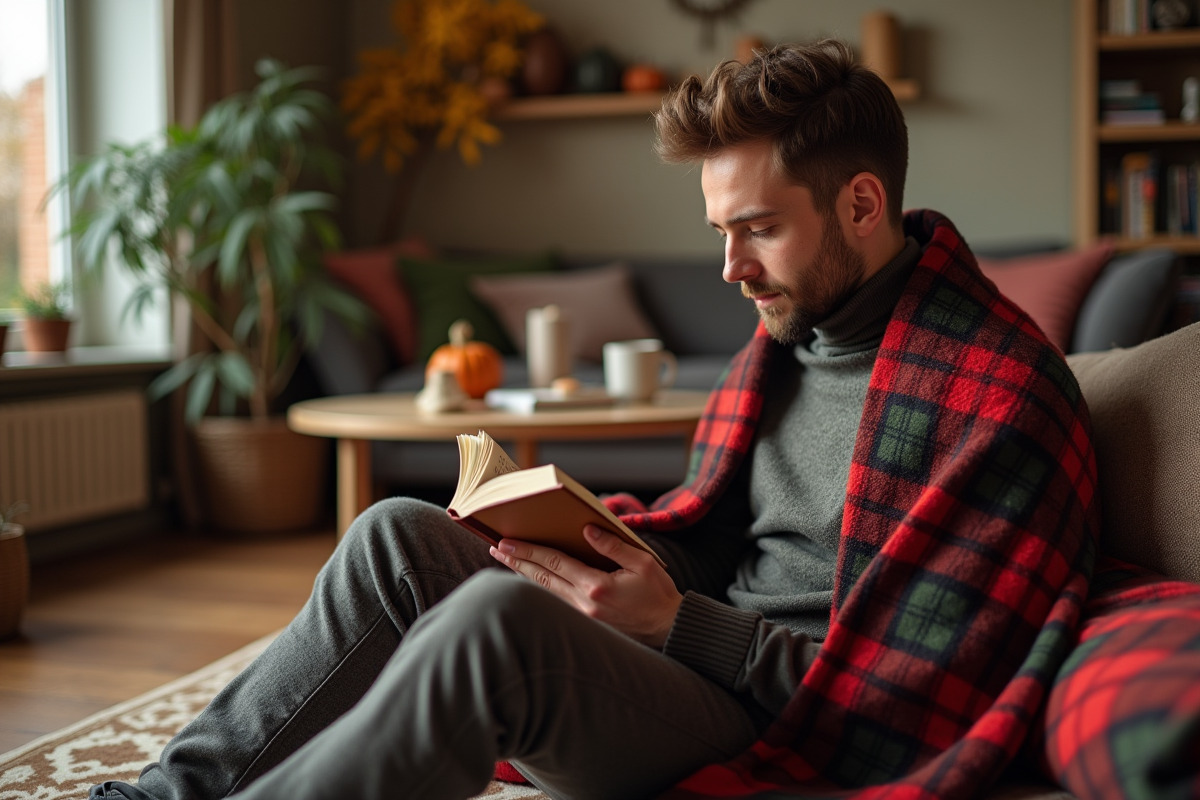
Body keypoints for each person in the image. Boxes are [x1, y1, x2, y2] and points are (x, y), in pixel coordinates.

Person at [91, 40, 1096, 800]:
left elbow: (913, 701)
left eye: (758, 229)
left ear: (863, 203)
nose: (730, 269)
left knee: (496, 626)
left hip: (777, 717)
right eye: (720, 231)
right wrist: (580, 547)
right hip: (688, 652)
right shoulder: (790, 339)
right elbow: (716, 536)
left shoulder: (998, 400)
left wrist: (675, 623)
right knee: (398, 533)